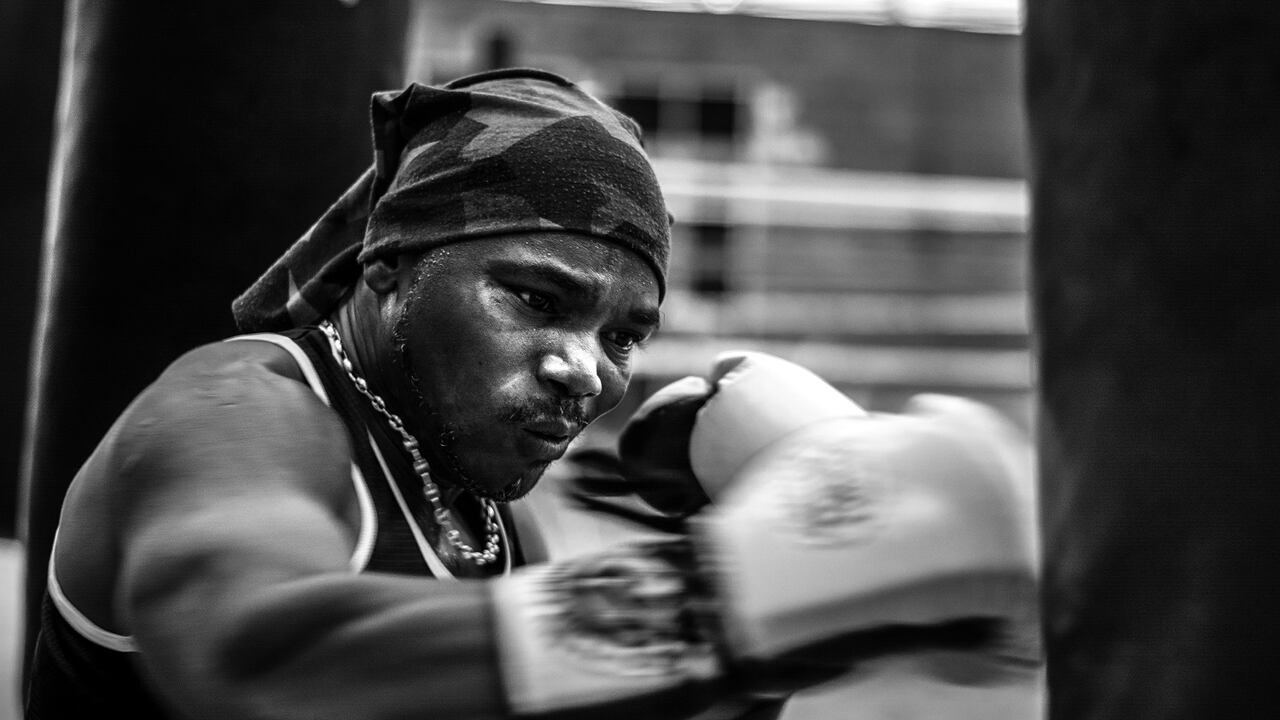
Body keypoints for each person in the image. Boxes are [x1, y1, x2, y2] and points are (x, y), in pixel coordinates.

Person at [24, 68, 1039, 720]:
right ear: (390, 265)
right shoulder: (238, 409)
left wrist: (803, 643)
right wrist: (733, 590)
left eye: (624, 336)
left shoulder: (484, 514)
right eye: (534, 299)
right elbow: (247, 660)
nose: (584, 369)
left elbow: (528, 681)